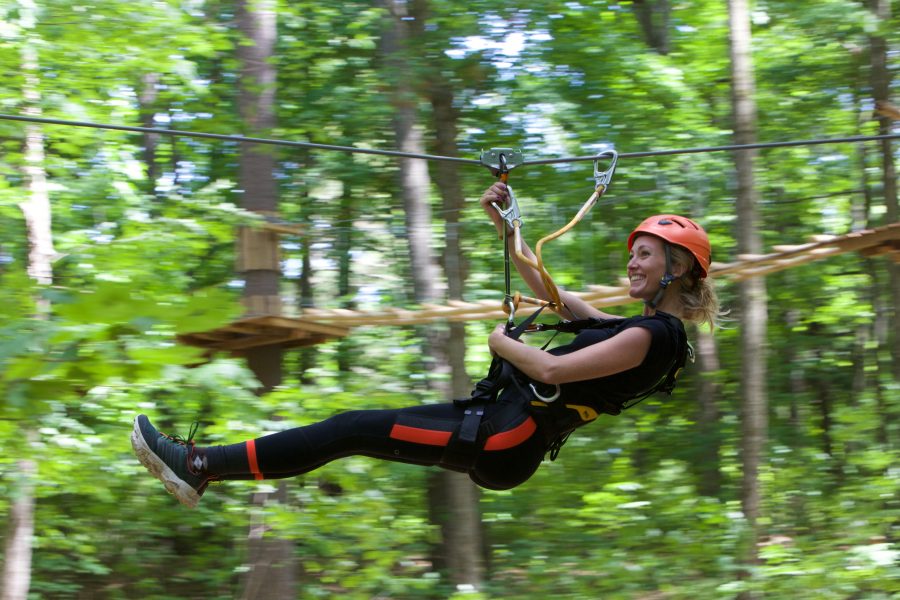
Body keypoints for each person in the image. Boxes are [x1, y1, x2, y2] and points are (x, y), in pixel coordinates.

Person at [132, 181, 721, 508]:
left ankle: (202, 465)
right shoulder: (640, 331)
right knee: (349, 428)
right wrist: (509, 228)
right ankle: (202, 465)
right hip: (495, 425)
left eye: (644, 253)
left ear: (676, 267)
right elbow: (555, 293)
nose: (631, 261)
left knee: (349, 428)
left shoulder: (652, 337)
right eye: (634, 251)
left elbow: (547, 368)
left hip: (502, 437)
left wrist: (500, 339)